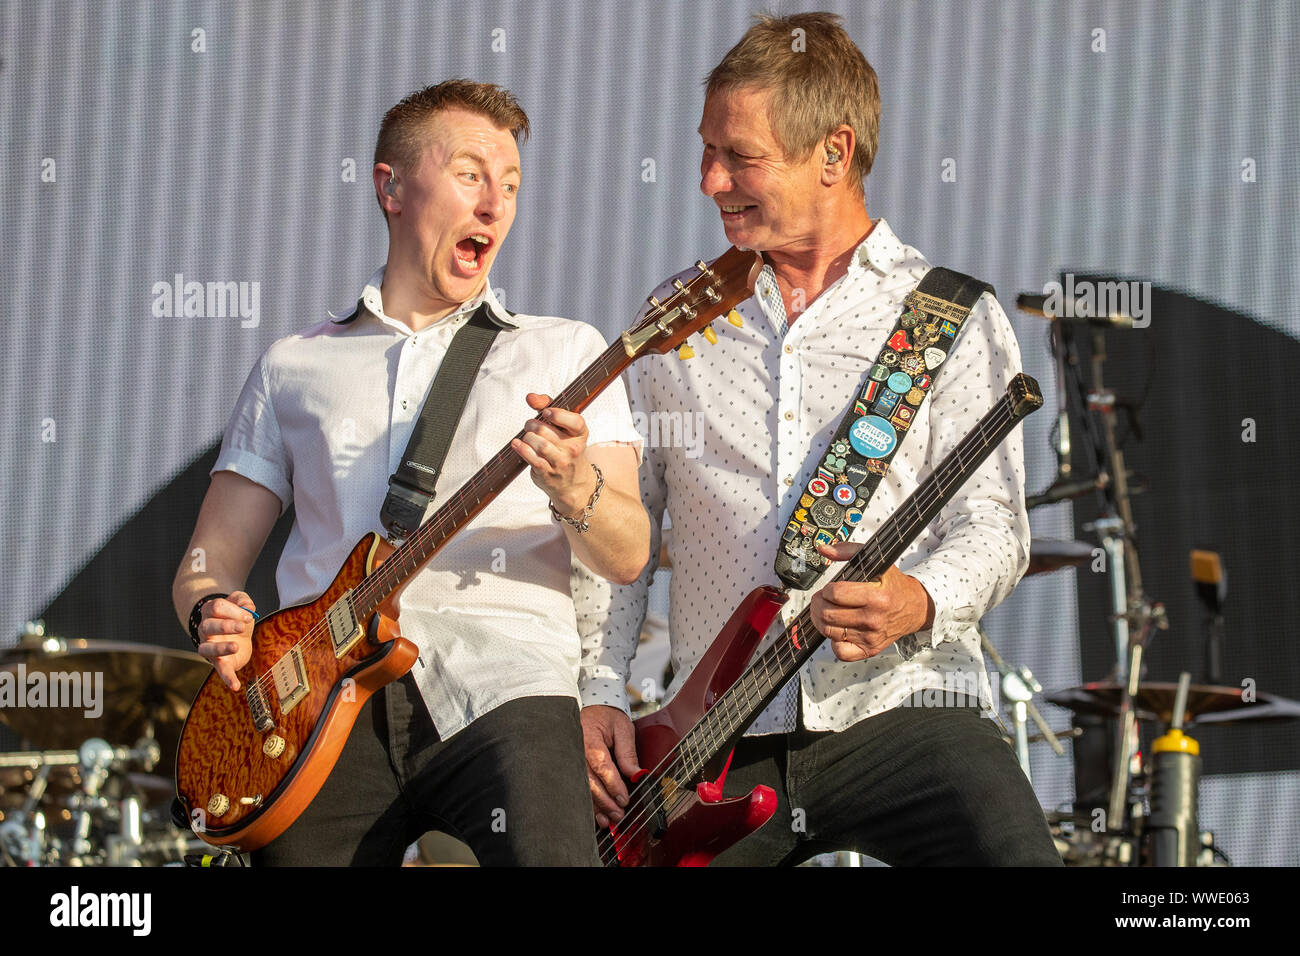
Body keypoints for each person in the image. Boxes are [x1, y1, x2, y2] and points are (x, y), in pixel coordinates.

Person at [575, 13, 1062, 866]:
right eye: (705, 150)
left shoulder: (951, 315)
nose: (707, 179)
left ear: (833, 155)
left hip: (912, 709)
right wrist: (600, 690)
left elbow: (995, 528)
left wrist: (918, 599)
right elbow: (622, 529)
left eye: (738, 156)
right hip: (717, 736)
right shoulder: (676, 319)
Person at [172, 79, 648, 866]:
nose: (496, 202)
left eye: (512, 184)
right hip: (318, 710)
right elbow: (205, 562)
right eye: (470, 174)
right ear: (390, 187)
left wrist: (574, 489)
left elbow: (627, 554)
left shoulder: (564, 351)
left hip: (507, 686)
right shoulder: (295, 365)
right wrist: (212, 612)